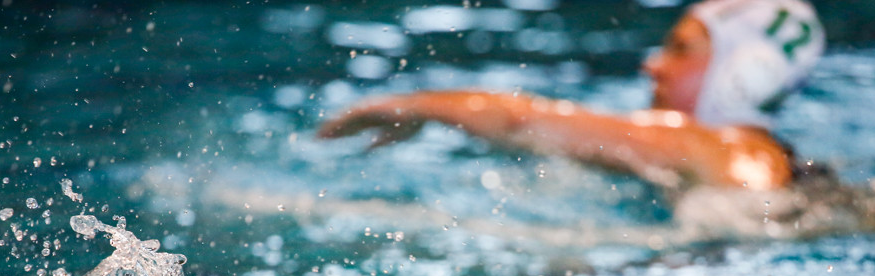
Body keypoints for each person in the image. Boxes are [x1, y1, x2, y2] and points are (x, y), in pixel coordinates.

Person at [317, 0, 826, 192]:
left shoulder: (708, 145)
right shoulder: (768, 159)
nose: (653, 64)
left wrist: (416, 104)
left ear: (750, 73)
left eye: (680, 49)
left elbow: (524, 121)